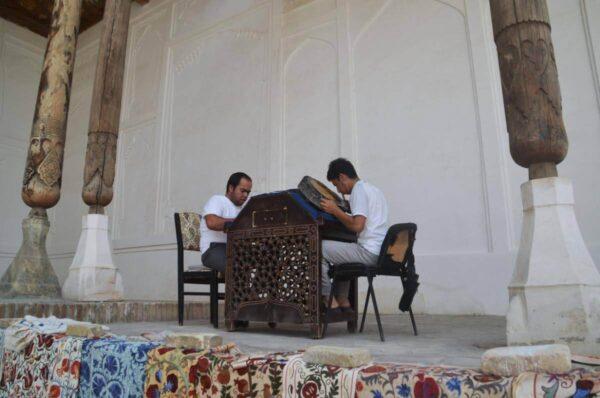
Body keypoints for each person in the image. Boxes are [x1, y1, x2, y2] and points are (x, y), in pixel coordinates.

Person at [320, 158, 388, 311]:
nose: (338, 190)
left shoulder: (358, 190)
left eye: (336, 185)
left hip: (368, 252)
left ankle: (328, 298)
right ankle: (343, 300)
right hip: (380, 252)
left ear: (342, 177)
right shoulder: (373, 190)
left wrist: (334, 210)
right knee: (341, 254)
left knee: (316, 248)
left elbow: (357, 226)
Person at [200, 172, 252, 272]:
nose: (245, 195)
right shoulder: (218, 200)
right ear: (231, 188)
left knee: (267, 260)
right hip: (213, 249)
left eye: (248, 192)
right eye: (242, 191)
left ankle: (257, 288)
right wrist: (238, 222)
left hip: (234, 249)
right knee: (238, 265)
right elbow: (211, 222)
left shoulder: (244, 208)